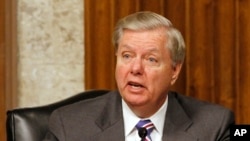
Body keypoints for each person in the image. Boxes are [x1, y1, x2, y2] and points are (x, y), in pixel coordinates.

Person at [43, 11, 234, 141]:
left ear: (174, 70)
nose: (135, 68)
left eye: (151, 59)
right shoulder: (69, 126)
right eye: (127, 56)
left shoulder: (214, 126)